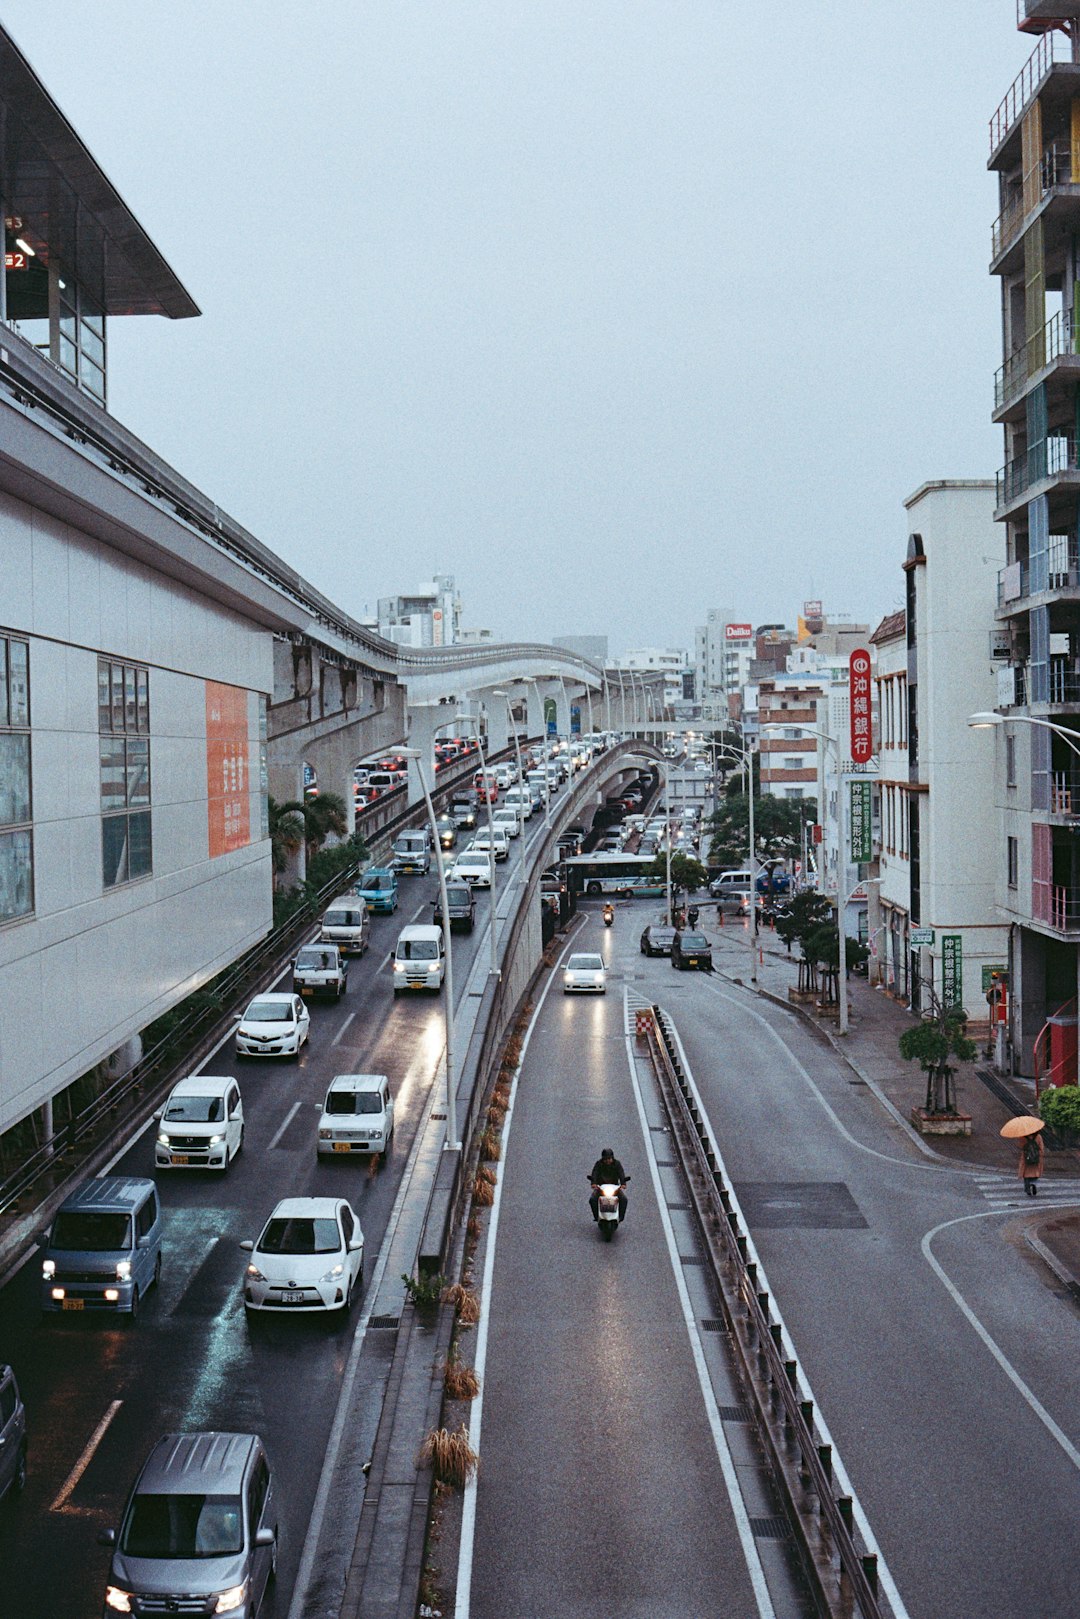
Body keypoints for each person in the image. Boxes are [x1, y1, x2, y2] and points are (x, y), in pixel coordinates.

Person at [588, 1148, 629, 1222]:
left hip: (614, 1187)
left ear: (612, 1158)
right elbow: (595, 1173)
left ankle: (620, 1217)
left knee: (624, 1199)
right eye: (605, 1159)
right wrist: (593, 1183)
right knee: (592, 1199)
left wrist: (623, 1183)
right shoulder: (598, 1164)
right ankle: (597, 1216)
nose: (607, 1161)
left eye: (609, 1159)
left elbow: (621, 1173)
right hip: (601, 1187)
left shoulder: (617, 1164)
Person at [1019, 1126, 1044, 1197]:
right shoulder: (1038, 1136)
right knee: (1035, 1173)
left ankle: (1027, 1189)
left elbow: (1021, 1146)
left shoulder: (1023, 1137)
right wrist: (1040, 1155)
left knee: (1026, 1174)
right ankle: (1033, 1184)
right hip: (1036, 1158)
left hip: (1026, 1158)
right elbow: (1041, 1148)